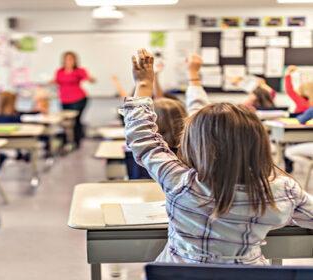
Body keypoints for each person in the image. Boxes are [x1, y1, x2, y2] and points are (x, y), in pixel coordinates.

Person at [123, 49, 313, 264]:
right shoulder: (281, 191)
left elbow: (143, 139)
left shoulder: (180, 183)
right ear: (258, 143)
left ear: (196, 143)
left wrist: (143, 85)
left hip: (178, 274)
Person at [53, 51, 95, 148]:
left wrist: (91, 79)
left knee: (76, 120)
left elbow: (88, 78)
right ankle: (66, 141)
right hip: (64, 99)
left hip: (78, 99)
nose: (68, 61)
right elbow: (56, 82)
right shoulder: (59, 71)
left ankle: (77, 142)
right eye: (66, 59)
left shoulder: (79, 71)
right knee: (64, 121)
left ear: (75, 60)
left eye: (71, 59)